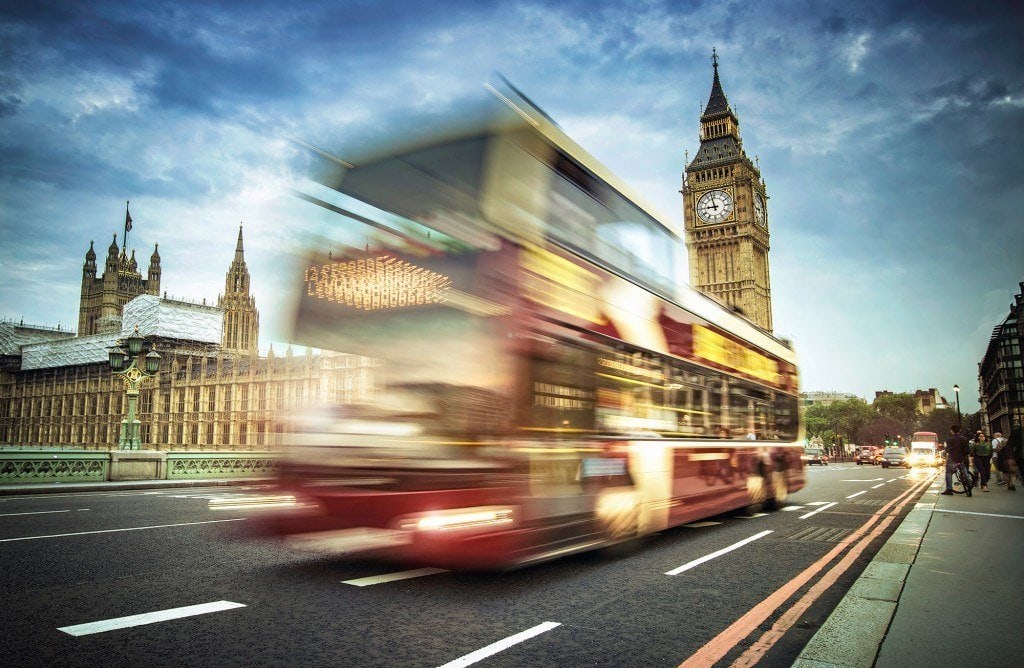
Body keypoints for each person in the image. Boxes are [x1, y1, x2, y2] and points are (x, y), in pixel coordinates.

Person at [940, 424, 970, 495]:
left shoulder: (949, 439)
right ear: (959, 430)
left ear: (951, 431)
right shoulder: (965, 439)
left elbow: (947, 450)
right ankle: (968, 483)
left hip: (952, 458)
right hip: (962, 458)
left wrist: (946, 451)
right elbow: (967, 450)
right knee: (964, 470)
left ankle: (949, 489)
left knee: (949, 473)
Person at [1000, 420, 1023, 491]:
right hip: (1021, 458)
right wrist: (1010, 458)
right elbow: (1009, 446)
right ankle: (1011, 484)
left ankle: (1011, 484)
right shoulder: (1017, 432)